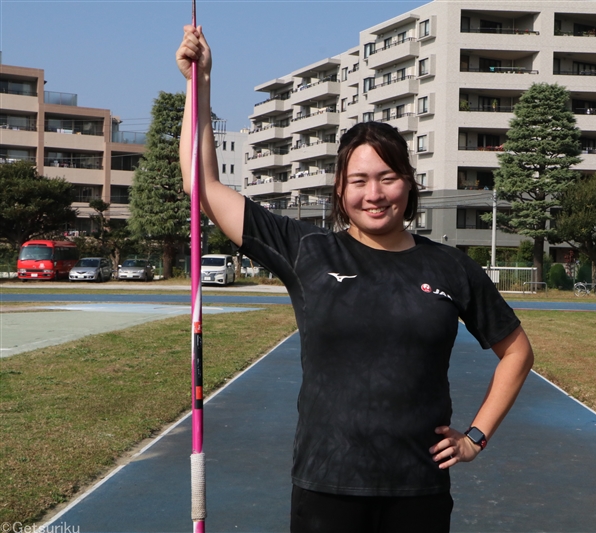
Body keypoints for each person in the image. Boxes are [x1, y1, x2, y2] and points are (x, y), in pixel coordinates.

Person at [177, 25, 534, 533]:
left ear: (409, 185)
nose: (375, 193)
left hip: (418, 488)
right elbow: (203, 184)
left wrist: (475, 438)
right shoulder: (306, 250)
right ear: (340, 190)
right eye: (360, 181)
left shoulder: (451, 267)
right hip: (327, 486)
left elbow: (517, 351)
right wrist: (201, 85)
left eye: (388, 178)